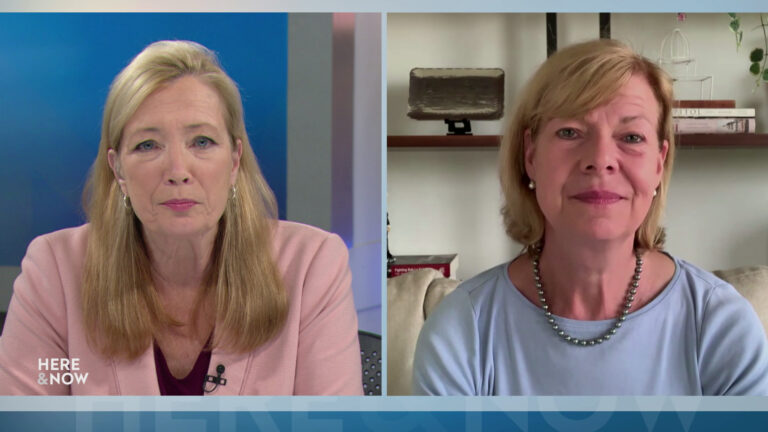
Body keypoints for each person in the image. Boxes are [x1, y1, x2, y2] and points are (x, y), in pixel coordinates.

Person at [0, 40, 362, 395]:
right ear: (118, 170)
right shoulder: (55, 272)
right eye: (148, 145)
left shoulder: (311, 267)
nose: (177, 170)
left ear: (234, 161)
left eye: (201, 142)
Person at [412, 39, 768, 395]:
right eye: (570, 132)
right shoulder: (462, 329)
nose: (600, 159)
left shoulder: (721, 324)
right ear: (531, 154)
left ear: (659, 164)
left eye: (631, 136)